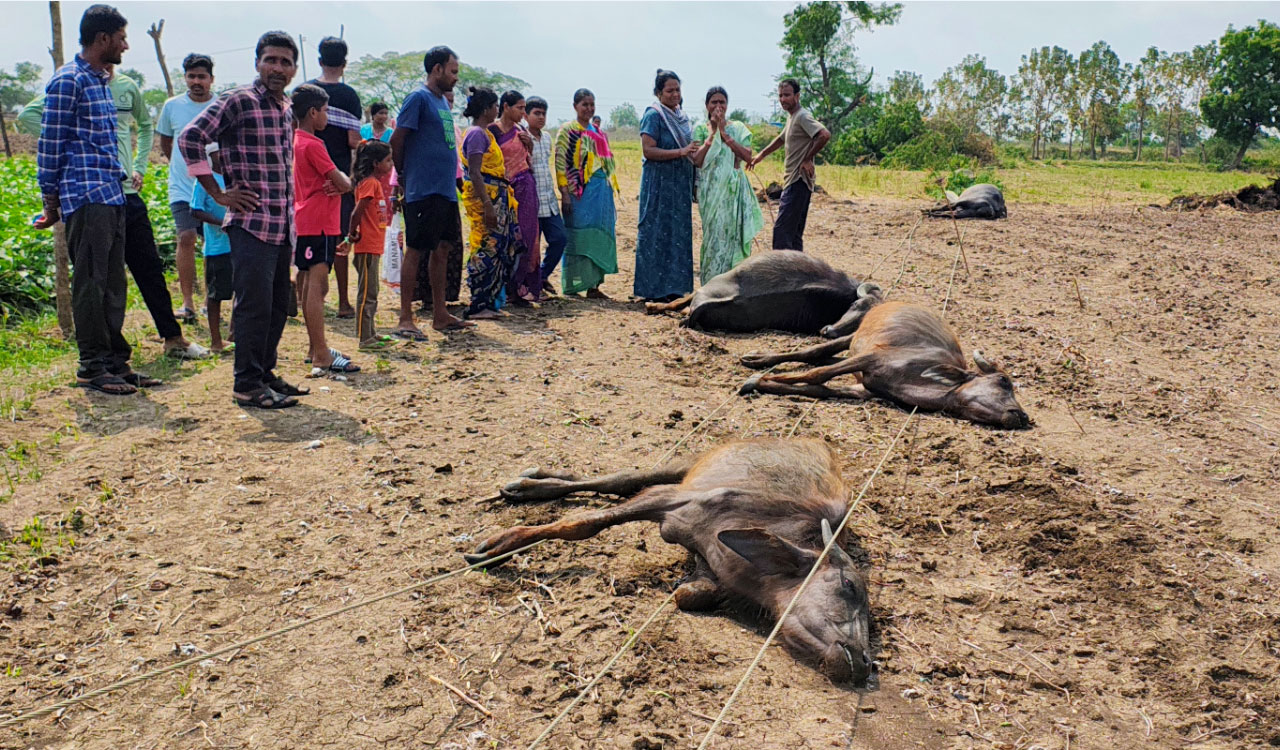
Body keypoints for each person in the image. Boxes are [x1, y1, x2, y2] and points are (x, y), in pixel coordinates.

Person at [19, 65, 208, 360]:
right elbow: (27, 117)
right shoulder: (74, 83)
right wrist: (72, 139)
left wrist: (140, 167)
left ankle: (173, 338)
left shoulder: (127, 86)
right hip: (95, 194)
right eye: (119, 39)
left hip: (127, 194)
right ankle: (101, 358)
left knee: (148, 266)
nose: (123, 47)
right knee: (100, 278)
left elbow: (145, 126)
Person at [180, 31, 309, 409]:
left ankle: (265, 373)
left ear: (294, 69)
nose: (277, 68)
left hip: (282, 223)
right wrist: (218, 193)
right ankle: (246, 385)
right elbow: (191, 138)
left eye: (285, 62)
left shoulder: (286, 108)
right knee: (252, 305)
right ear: (257, 62)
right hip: (251, 222)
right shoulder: (239, 100)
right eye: (271, 59)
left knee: (275, 304)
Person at [36, 5, 158, 396]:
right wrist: (50, 200)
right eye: (121, 38)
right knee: (91, 283)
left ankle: (114, 363)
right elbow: (50, 144)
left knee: (112, 283)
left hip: (110, 194)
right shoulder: (68, 81)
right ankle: (91, 366)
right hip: (85, 197)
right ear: (102, 39)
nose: (126, 45)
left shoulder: (101, 82)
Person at [389, 45, 472, 336]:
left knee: (444, 248)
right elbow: (398, 140)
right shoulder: (418, 99)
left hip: (445, 189)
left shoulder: (442, 103)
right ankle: (404, 318)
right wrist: (403, 175)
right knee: (416, 249)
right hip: (422, 189)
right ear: (436, 69)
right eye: (453, 71)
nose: (456, 78)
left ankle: (440, 313)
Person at [293, 83, 358, 374]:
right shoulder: (313, 144)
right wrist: (341, 179)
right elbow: (344, 183)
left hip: (305, 219)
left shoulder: (294, 141)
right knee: (318, 287)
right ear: (313, 112)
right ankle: (321, 353)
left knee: (309, 283)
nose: (327, 117)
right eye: (325, 111)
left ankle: (314, 347)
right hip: (319, 221)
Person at [157, 52, 216, 321]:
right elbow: (166, 143)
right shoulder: (172, 106)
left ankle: (209, 300)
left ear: (211, 79)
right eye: (191, 76)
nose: (196, 81)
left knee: (213, 242)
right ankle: (188, 302)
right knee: (186, 237)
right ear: (185, 78)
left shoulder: (220, 106)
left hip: (214, 188)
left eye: (201, 76)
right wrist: (183, 167)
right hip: (182, 186)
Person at [746, 79, 830, 252]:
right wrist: (761, 155)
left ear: (797, 96)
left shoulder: (802, 116)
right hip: (794, 181)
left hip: (798, 180)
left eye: (787, 95)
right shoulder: (792, 117)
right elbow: (781, 139)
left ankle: (784, 275)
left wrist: (807, 159)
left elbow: (824, 134)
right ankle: (798, 275)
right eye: (780, 96)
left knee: (781, 233)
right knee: (793, 234)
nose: (783, 99)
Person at [635, 69, 697, 302]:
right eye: (669, 90)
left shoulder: (682, 117)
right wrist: (680, 152)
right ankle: (652, 289)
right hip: (659, 183)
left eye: (677, 90)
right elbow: (648, 150)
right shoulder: (654, 115)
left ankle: (675, 288)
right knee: (656, 231)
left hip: (679, 185)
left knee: (677, 232)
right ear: (659, 93)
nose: (674, 95)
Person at [460, 87, 521, 320]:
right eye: (495, 105)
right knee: (485, 246)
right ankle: (479, 303)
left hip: (498, 196)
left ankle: (490, 300)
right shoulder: (476, 134)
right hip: (487, 198)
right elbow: (475, 173)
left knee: (496, 247)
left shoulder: (486, 134)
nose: (498, 109)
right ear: (486, 109)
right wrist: (487, 205)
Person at [691, 86, 763, 283]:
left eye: (722, 102)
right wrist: (713, 134)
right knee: (713, 237)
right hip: (710, 192)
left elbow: (748, 157)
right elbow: (696, 160)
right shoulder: (699, 128)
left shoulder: (738, 128)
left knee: (732, 237)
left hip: (732, 192)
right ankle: (710, 284)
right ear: (707, 106)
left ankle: (731, 284)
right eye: (714, 102)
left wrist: (725, 134)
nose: (718, 106)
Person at [554, 88, 618, 299]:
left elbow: (607, 163)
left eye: (592, 105)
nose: (589, 109)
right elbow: (560, 163)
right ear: (575, 106)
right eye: (585, 105)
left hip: (600, 194)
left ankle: (594, 286)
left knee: (597, 234)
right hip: (577, 193)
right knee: (578, 234)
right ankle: (574, 284)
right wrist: (564, 193)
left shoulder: (598, 132)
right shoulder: (568, 131)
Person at [490, 90, 540, 303]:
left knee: (528, 237)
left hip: (525, 187)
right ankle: (501, 287)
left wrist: (529, 145)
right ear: (505, 107)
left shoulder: (521, 131)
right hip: (502, 190)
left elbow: (529, 159)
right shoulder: (492, 131)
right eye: (519, 108)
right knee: (505, 238)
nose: (522, 112)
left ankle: (519, 285)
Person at [347, 140, 395, 350]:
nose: (391, 164)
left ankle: (371, 333)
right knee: (367, 293)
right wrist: (351, 234)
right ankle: (364, 338)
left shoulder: (372, 183)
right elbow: (357, 211)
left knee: (372, 291)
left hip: (373, 245)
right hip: (366, 245)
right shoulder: (370, 184)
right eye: (388, 160)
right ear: (376, 163)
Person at [189, 146, 233, 354]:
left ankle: (234, 335)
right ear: (211, 156)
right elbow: (195, 210)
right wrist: (221, 222)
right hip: (216, 248)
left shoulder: (235, 179)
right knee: (215, 295)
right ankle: (216, 340)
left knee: (241, 291)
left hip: (237, 246)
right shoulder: (205, 182)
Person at [524, 96, 568, 296]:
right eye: (536, 113)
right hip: (531, 201)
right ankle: (531, 285)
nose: (541, 117)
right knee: (532, 246)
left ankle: (542, 275)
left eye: (544, 114)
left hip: (548, 200)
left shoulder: (547, 138)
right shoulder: (521, 137)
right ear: (526, 115)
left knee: (559, 239)